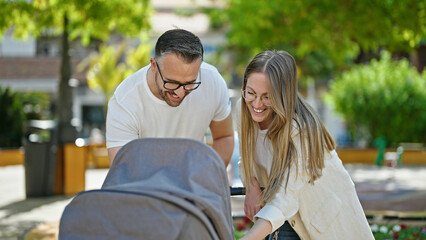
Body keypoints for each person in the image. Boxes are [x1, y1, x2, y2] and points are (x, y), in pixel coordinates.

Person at [236, 50, 374, 240]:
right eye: (251, 92)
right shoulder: (243, 109)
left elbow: (285, 198)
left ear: (284, 95)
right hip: (281, 213)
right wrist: (251, 186)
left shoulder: (303, 130)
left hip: (322, 220)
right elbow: (247, 155)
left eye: (267, 97)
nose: (257, 103)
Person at [106, 29, 234, 166]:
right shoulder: (125, 102)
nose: (180, 93)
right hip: (144, 186)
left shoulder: (212, 81)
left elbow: (224, 137)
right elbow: (123, 171)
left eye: (190, 83)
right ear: (154, 65)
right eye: (172, 82)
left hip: (193, 183)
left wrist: (207, 179)